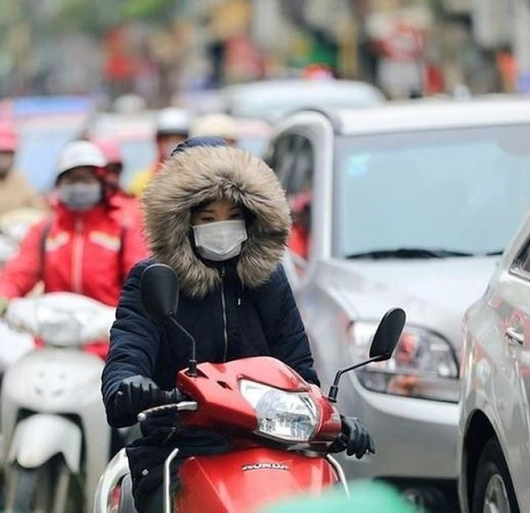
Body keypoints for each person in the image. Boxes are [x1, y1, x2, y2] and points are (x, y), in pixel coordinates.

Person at [101, 138, 375, 513]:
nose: (222, 227)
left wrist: (335, 420)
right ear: (182, 223)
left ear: (251, 219)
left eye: (232, 216)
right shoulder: (153, 279)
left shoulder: (270, 281)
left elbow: (300, 374)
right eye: (207, 218)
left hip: (274, 443)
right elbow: (128, 354)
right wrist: (130, 386)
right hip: (181, 446)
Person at [0, 140, 148, 358]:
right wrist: (1, 294)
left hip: (109, 344)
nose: (79, 185)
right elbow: (20, 270)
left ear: (101, 182)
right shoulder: (45, 229)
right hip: (53, 344)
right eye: (72, 179)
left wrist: (138, 317)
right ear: (60, 183)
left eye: (86, 179)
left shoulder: (124, 227)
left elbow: (140, 279)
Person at [127, 107, 189, 197]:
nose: (173, 143)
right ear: (158, 141)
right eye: (167, 139)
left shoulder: (197, 179)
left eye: (178, 138)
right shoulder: (142, 181)